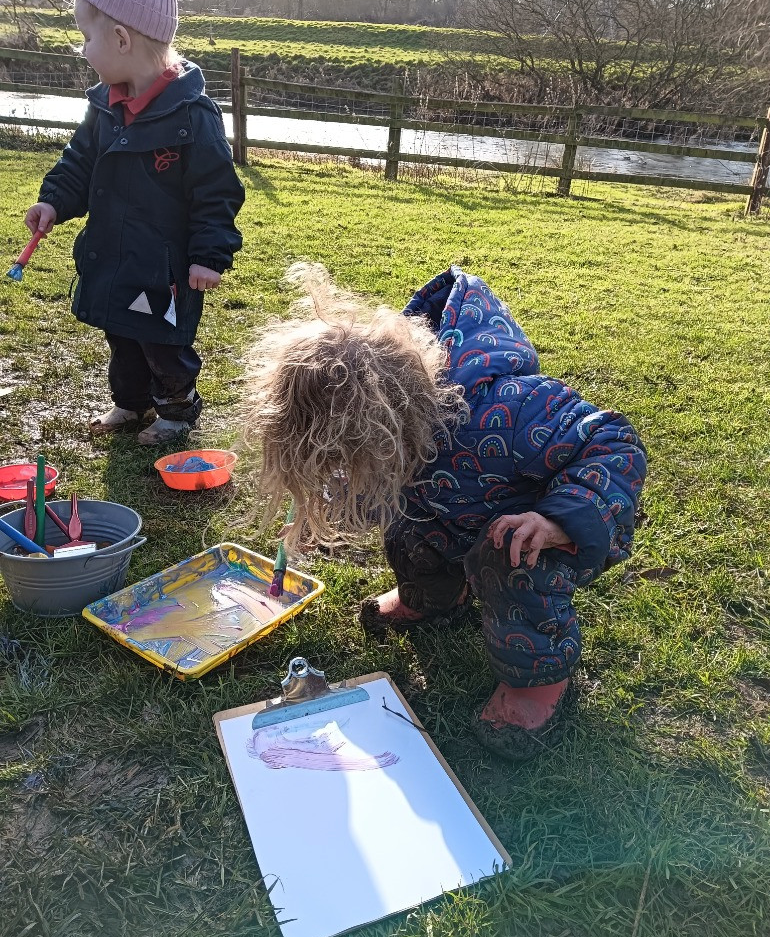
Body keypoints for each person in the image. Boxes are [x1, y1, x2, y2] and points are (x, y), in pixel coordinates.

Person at [242, 263, 647, 762]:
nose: (346, 472)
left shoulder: (507, 410)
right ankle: (434, 597)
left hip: (537, 536)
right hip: (451, 514)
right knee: (406, 531)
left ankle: (535, 683)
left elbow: (612, 441)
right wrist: (324, 515)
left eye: (351, 460)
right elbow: (372, 492)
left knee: (509, 565)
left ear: (389, 427)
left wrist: (560, 518)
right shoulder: (393, 443)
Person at [24, 0, 245, 445]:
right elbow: (79, 162)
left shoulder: (192, 114)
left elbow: (217, 191)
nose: (83, 50)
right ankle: (130, 402)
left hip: (162, 266)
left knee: (159, 339)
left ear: (121, 38)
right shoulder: (104, 106)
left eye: (87, 37)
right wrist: (54, 201)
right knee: (120, 333)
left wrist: (209, 256)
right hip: (113, 251)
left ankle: (176, 408)